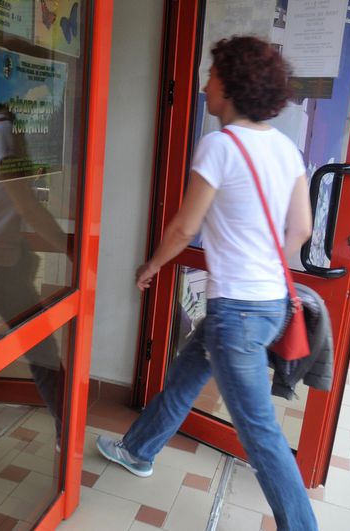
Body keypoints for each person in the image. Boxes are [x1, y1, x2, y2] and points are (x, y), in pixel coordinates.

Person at [96, 36, 317, 530]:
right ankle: (138, 449)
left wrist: (152, 266)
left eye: (212, 76)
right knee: (185, 375)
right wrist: (263, 267)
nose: (204, 86)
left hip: (237, 312)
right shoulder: (285, 148)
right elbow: (301, 229)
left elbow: (184, 228)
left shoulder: (220, 145)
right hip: (269, 303)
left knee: (259, 433)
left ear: (232, 84)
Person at [0, 107, 69, 442]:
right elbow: (26, 205)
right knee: (39, 350)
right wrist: (71, 248)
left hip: (0, 263)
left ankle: (67, 427)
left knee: (41, 350)